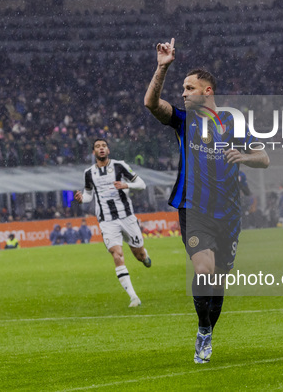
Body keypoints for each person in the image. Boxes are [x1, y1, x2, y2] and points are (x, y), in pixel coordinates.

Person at [144, 38, 269, 364]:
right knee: (204, 269)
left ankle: (208, 330)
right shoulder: (185, 121)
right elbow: (151, 104)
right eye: (182, 88)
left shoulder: (233, 123)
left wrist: (242, 156)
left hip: (228, 213)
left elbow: (264, 158)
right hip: (193, 208)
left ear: (207, 91)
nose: (183, 93)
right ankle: (202, 331)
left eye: (189, 88)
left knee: (218, 281)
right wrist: (162, 68)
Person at [75, 139, 153, 308]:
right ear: (93, 152)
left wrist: (126, 184)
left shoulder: (120, 166)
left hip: (127, 217)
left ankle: (144, 255)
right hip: (107, 221)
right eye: (97, 147)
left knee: (138, 255)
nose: (101, 149)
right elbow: (88, 194)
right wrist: (82, 199)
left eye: (103, 146)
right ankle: (133, 297)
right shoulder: (88, 173)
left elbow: (142, 184)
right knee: (117, 254)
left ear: (108, 150)